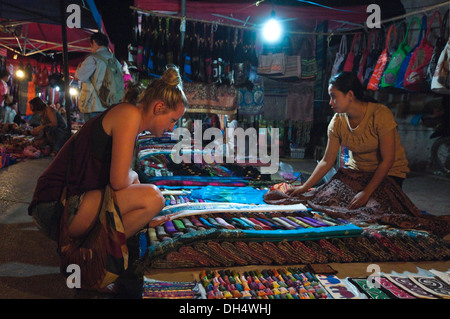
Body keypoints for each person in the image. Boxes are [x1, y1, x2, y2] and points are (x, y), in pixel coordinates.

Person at [28, 65, 187, 291]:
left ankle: (96, 262)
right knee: (153, 198)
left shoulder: (130, 118)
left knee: (146, 197)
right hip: (55, 207)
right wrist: (136, 184)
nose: (172, 127)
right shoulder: (129, 115)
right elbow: (119, 181)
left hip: (63, 204)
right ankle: (95, 263)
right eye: (173, 119)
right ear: (159, 107)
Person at [288, 72, 409, 209]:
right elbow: (327, 161)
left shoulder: (380, 114)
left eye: (334, 96)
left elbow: (388, 160)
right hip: (357, 174)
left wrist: (366, 192)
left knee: (373, 208)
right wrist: (304, 187)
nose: (330, 102)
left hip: (388, 175)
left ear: (350, 95)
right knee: (328, 197)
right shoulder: (337, 121)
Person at [75, 32, 123, 122]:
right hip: (112, 105)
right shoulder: (115, 61)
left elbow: (80, 76)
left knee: (92, 134)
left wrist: (79, 68)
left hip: (94, 106)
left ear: (94, 42)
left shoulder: (93, 58)